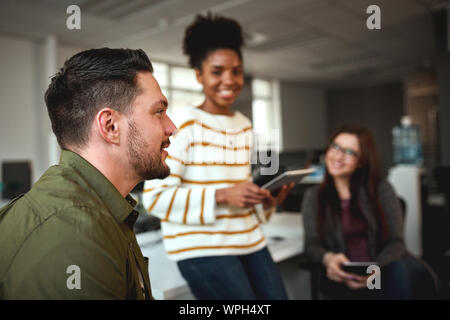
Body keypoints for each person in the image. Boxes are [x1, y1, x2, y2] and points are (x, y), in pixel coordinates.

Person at [0, 48, 176, 299]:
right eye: (159, 112)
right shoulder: (75, 236)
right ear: (110, 126)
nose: (172, 127)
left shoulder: (98, 209)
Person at [142, 13, 294, 300]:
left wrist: (266, 201)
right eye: (217, 71)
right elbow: (155, 199)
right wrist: (222, 195)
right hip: (202, 247)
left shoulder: (245, 125)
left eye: (236, 71)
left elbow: (241, 196)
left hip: (250, 239)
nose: (229, 80)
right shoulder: (184, 125)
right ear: (199, 74)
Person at [302, 124, 437, 299]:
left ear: (361, 161)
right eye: (335, 147)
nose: (338, 156)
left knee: (399, 273)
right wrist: (328, 258)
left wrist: (375, 269)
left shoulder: (381, 189)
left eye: (349, 152)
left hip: (383, 270)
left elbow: (396, 242)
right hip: (343, 278)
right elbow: (312, 245)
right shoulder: (313, 197)